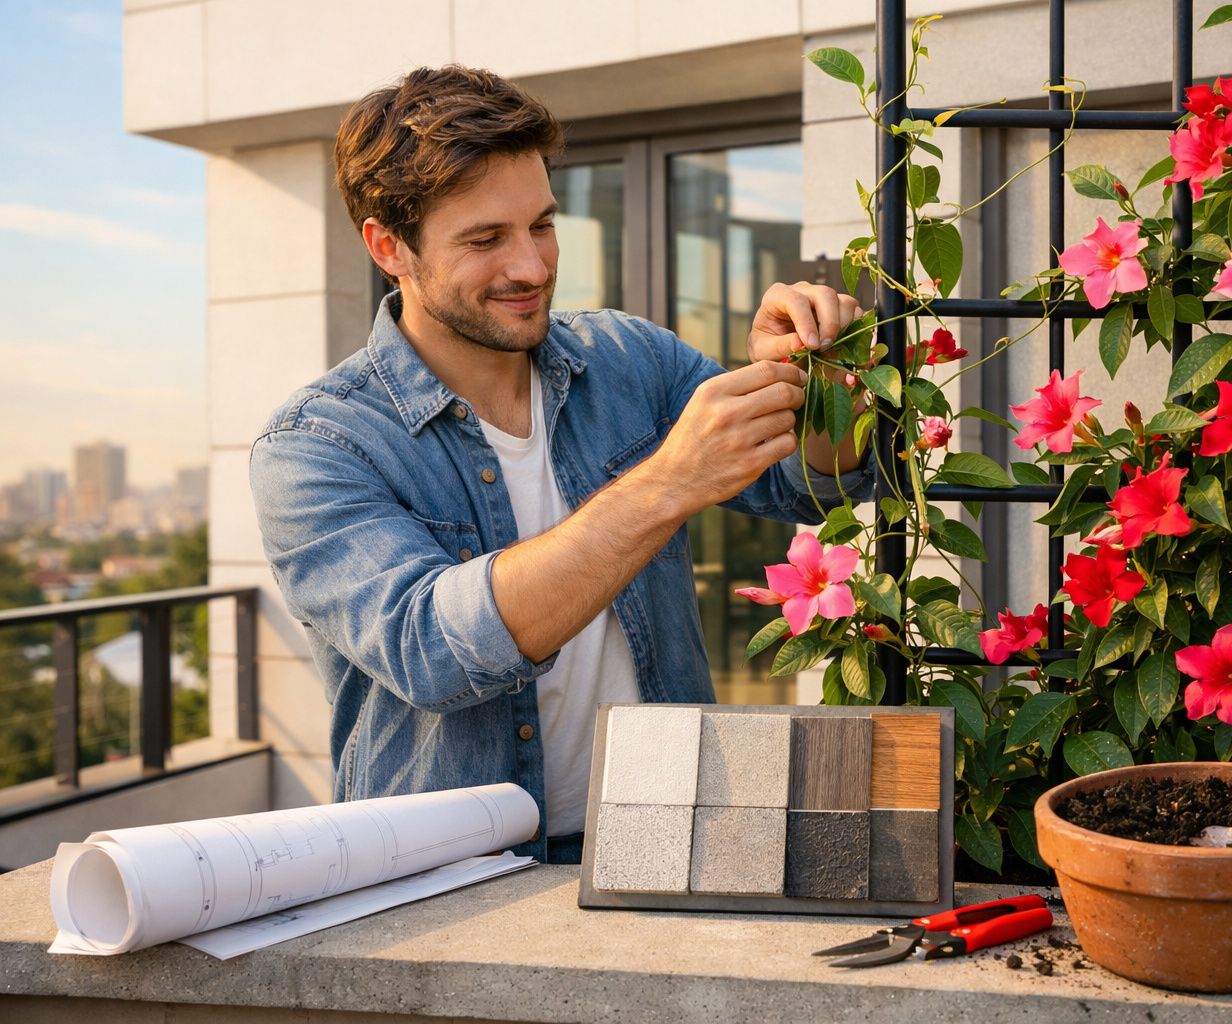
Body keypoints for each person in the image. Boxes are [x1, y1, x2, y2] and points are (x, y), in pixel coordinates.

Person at [248, 65, 872, 864]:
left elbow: (808, 484)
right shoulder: (316, 445)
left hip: (671, 836)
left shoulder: (629, 358)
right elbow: (430, 650)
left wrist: (816, 381)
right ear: (388, 247)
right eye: (486, 239)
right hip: (449, 879)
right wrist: (668, 482)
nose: (534, 267)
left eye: (542, 225)